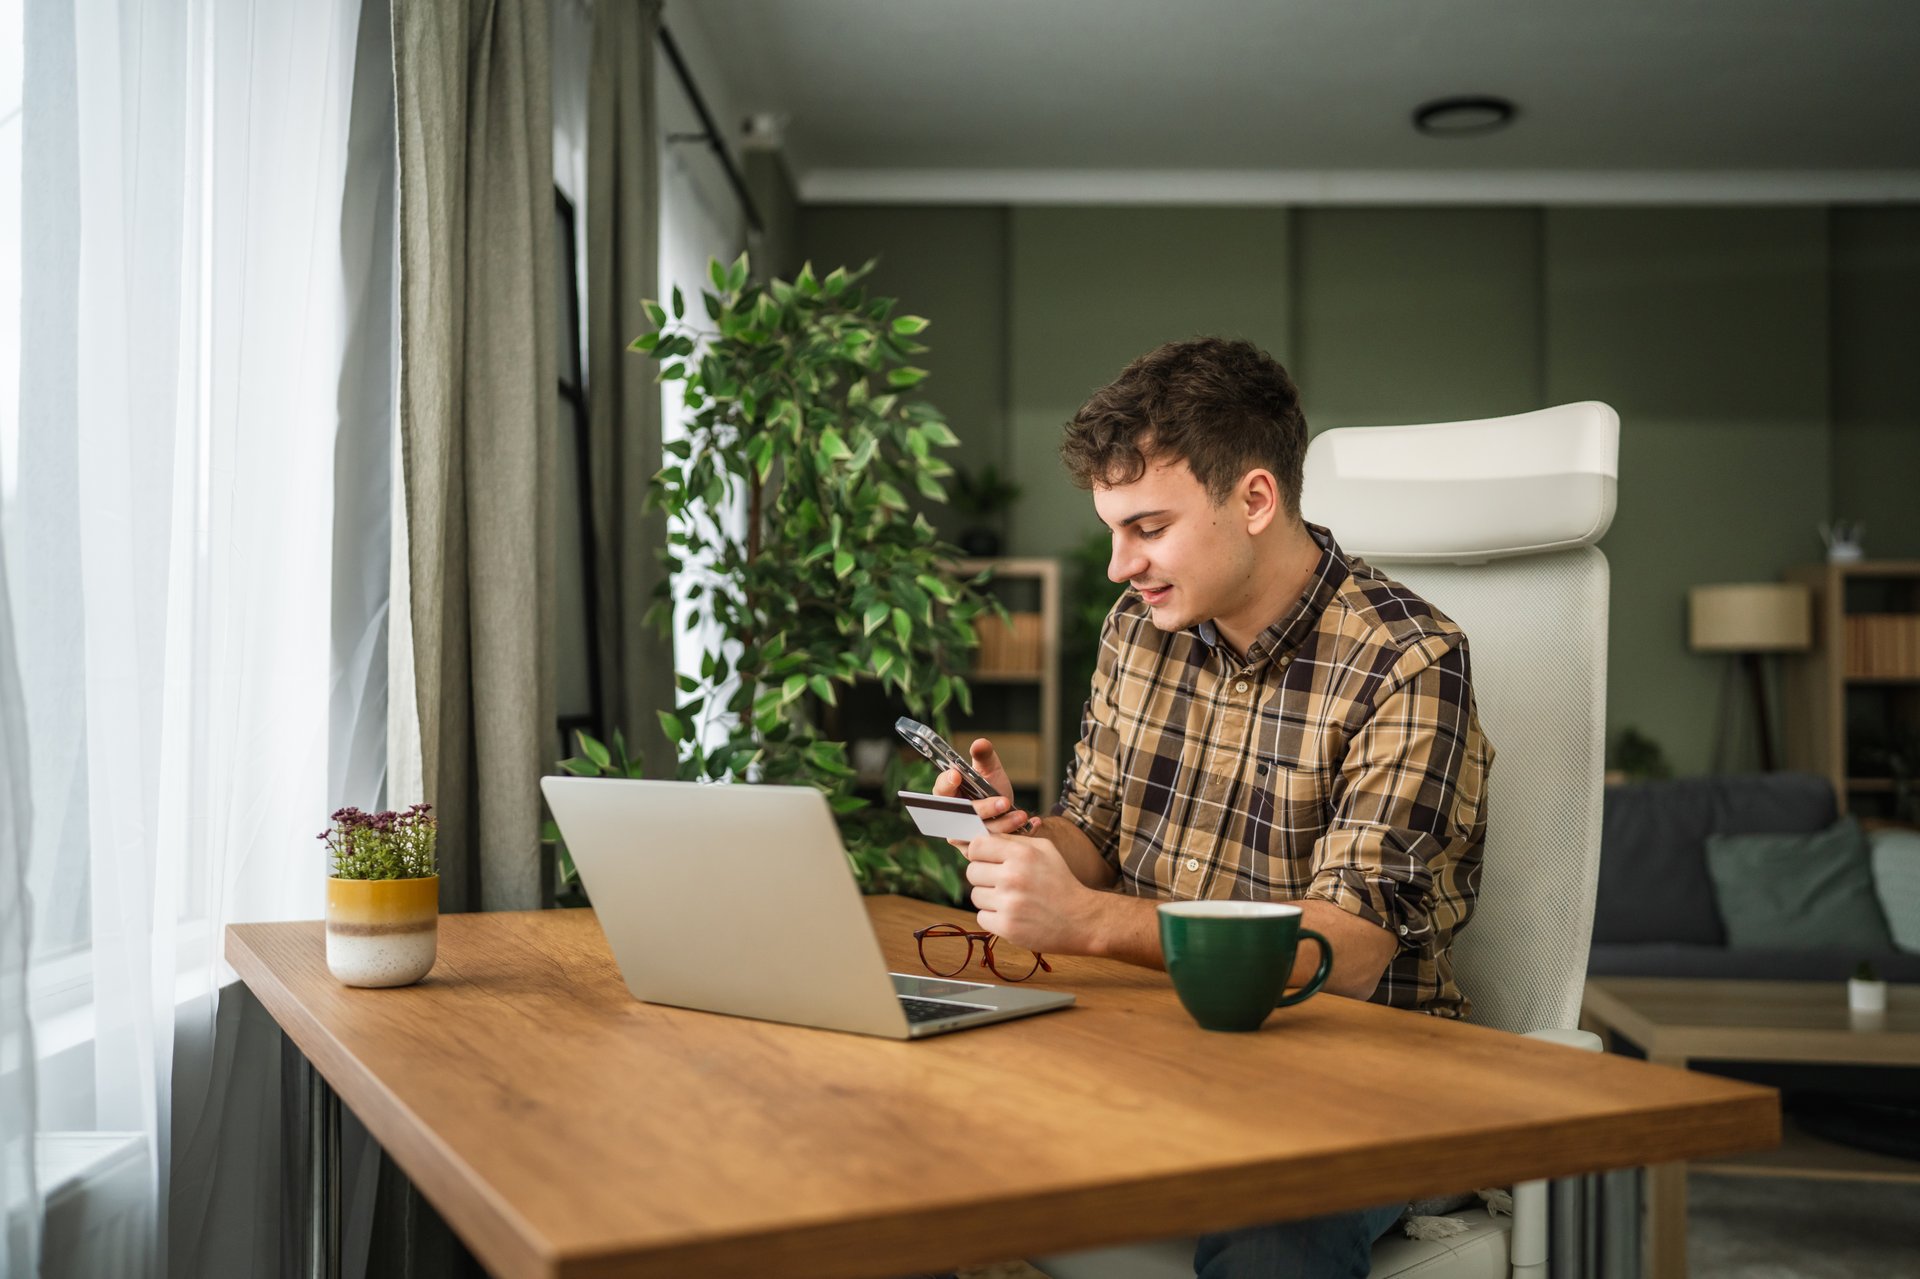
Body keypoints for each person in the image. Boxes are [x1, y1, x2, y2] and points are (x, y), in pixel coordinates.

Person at [932, 336, 1493, 1279]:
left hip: (1355, 1068)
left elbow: (1346, 950)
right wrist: (1025, 840)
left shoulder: (1409, 662)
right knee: (897, 1127)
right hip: (1154, 1038)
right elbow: (1099, 839)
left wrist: (1090, 922)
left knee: (1275, 1228)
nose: (1120, 565)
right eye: (1114, 529)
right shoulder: (1141, 630)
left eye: (1147, 528)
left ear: (1256, 500)